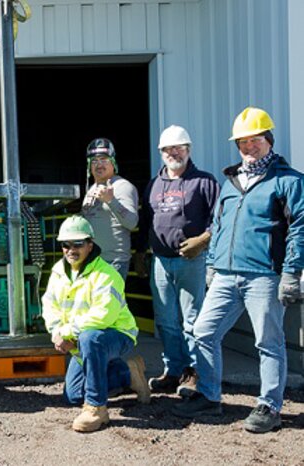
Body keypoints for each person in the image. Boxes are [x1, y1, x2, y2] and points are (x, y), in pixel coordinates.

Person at [171, 107, 304, 433]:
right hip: (226, 275)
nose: (249, 147)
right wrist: (214, 266)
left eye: (255, 140)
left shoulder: (289, 181)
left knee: (268, 343)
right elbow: (218, 225)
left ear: (268, 140)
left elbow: (300, 228)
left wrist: (291, 272)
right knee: (203, 332)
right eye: (243, 142)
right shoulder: (230, 182)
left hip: (264, 275)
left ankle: (269, 407)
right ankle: (209, 397)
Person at [42, 216, 150, 432]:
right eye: (66, 245)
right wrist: (56, 331)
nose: (71, 249)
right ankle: (127, 372)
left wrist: (68, 333)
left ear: (90, 245)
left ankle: (96, 408)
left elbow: (103, 316)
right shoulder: (58, 272)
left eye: (78, 244)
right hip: (80, 337)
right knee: (73, 396)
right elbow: (49, 303)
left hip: (116, 335)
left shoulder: (106, 274)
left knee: (90, 338)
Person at [134, 126, 220, 396]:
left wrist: (202, 241)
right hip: (160, 261)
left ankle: (194, 372)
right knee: (166, 321)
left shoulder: (205, 182)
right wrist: (140, 252)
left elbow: (219, 220)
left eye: (179, 147)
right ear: (161, 153)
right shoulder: (154, 184)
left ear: (189, 150)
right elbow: (147, 221)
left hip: (191, 262)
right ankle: (173, 370)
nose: (174, 152)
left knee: (192, 321)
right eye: (168, 149)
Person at [80, 138, 139, 280]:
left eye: (103, 159)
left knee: (109, 303)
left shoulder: (122, 186)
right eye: (94, 160)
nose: (99, 164)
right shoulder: (91, 189)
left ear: (113, 162)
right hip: (91, 261)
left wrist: (111, 200)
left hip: (113, 263)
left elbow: (132, 222)